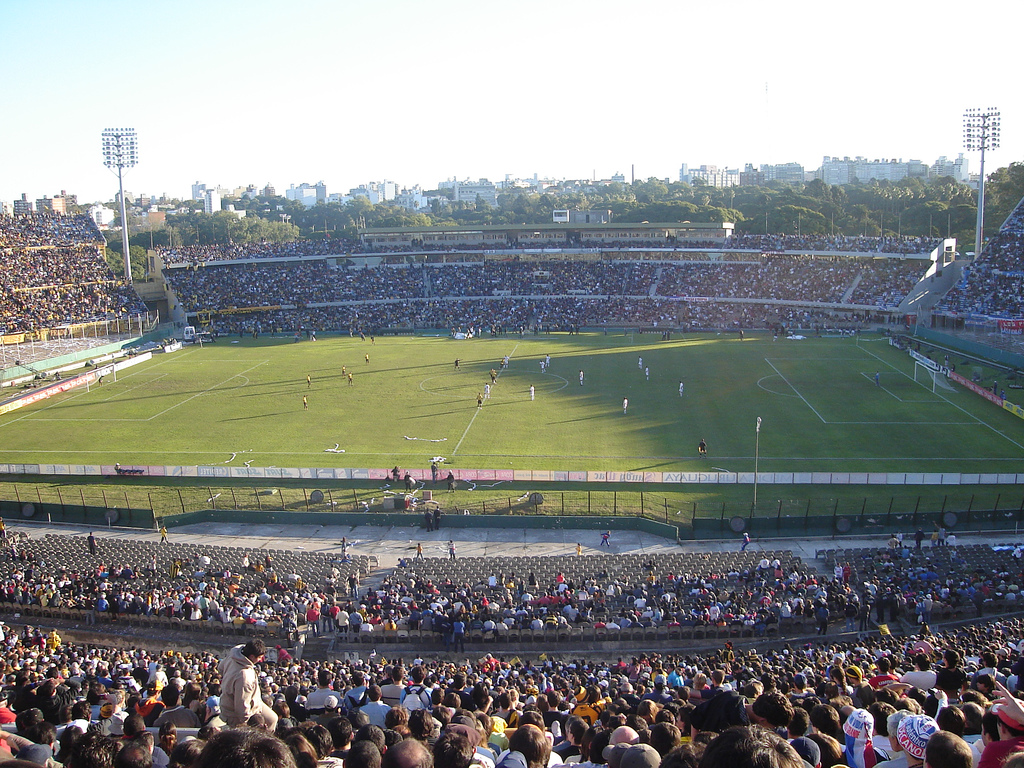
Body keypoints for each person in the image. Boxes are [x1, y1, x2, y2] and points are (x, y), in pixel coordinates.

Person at [217, 639, 278, 731]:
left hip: (254, 701)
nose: (261, 660)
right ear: (252, 656)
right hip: (236, 711)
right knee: (266, 723)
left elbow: (220, 668)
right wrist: (249, 724)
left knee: (273, 718)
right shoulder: (244, 676)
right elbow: (242, 709)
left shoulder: (234, 654)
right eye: (259, 657)